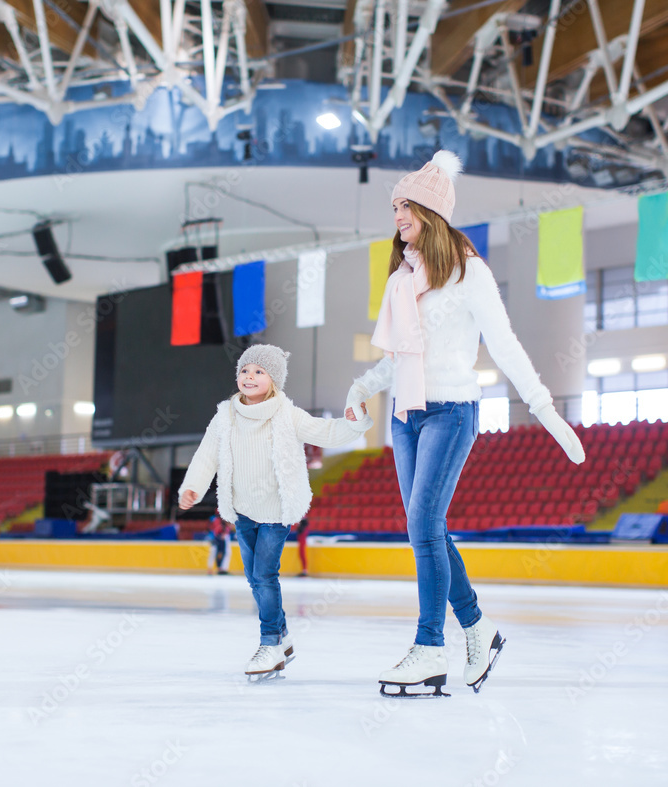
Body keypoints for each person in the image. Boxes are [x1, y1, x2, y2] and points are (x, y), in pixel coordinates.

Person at [345, 150, 586, 697]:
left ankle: (430, 648)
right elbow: (399, 357)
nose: (396, 215)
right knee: (426, 530)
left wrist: (545, 409)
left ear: (430, 211)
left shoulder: (468, 272)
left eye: (404, 205)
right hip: (406, 416)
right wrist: (361, 388)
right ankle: (478, 628)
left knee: (424, 526)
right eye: (393, 206)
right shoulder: (402, 279)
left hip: (452, 412)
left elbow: (504, 345)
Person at [180, 344, 373, 680]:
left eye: (259, 371)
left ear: (274, 381)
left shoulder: (287, 414)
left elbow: (325, 432)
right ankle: (283, 637)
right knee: (255, 578)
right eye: (245, 370)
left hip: (276, 512)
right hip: (242, 511)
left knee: (265, 576)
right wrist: (192, 487)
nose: (250, 376)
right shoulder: (225, 416)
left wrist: (355, 424)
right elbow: (206, 454)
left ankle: (269, 642)